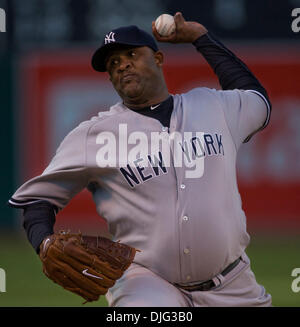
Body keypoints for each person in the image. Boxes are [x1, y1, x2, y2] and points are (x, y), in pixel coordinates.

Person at [9, 12, 272, 306]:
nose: (122, 65)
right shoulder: (95, 134)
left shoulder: (213, 107)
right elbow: (36, 200)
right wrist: (44, 242)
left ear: (158, 59)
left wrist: (200, 37)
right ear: (110, 78)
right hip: (146, 282)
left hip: (233, 283)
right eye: (113, 64)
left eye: (131, 54)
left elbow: (255, 99)